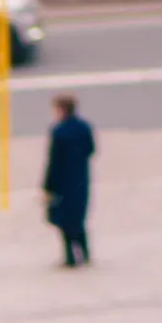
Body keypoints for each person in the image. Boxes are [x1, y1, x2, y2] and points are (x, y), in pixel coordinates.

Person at [44, 94, 95, 267]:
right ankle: (85, 253)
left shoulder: (59, 132)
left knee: (64, 220)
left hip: (62, 183)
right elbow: (91, 149)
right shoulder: (84, 127)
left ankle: (70, 257)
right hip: (81, 178)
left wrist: (47, 187)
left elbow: (53, 162)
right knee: (79, 218)